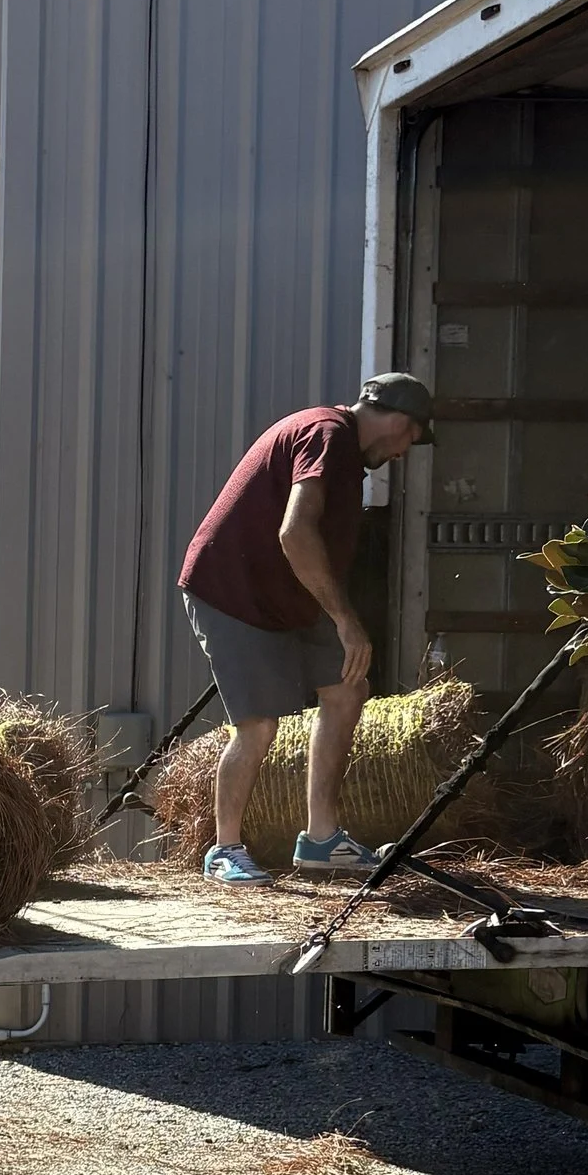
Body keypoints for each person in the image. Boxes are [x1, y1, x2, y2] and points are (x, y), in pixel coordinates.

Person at [177, 374, 434, 885]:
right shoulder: (328, 434)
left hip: (290, 593)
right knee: (258, 726)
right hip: (233, 593)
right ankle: (224, 850)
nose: (406, 452)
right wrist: (345, 619)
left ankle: (322, 841)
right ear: (402, 422)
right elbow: (295, 532)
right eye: (413, 439)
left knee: (347, 687)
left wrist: (341, 618)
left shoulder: (343, 451)